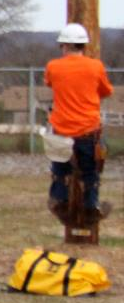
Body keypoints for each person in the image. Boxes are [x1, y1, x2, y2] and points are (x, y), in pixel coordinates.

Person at [45, 22, 112, 222]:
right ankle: (91, 206)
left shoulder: (53, 67)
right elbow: (106, 91)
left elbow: (49, 82)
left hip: (61, 130)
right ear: (84, 46)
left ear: (64, 46)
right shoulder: (96, 66)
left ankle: (59, 201)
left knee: (60, 170)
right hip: (87, 130)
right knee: (90, 172)